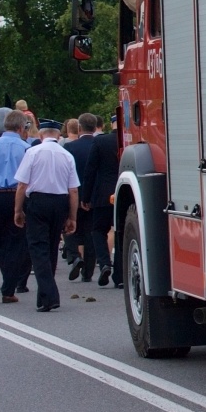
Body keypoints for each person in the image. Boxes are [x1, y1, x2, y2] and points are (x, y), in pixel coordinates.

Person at [13, 120, 80, 312]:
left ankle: (49, 294)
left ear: (41, 135)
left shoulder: (32, 153)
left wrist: (18, 210)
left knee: (38, 248)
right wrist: (72, 217)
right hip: (60, 202)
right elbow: (73, 190)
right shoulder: (67, 155)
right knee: (51, 247)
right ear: (59, 135)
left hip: (38, 202)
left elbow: (22, 185)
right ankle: (43, 297)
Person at [0, 110, 30, 302]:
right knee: (14, 243)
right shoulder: (26, 148)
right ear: (21, 127)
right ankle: (8, 290)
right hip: (16, 196)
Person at [83, 117, 120, 287]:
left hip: (103, 194)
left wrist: (86, 197)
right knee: (121, 233)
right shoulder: (129, 141)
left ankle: (105, 262)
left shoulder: (100, 141)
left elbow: (90, 170)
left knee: (98, 230)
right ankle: (120, 275)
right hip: (124, 193)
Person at [64, 113, 101, 282]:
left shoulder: (71, 147)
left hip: (74, 193)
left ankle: (74, 256)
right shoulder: (99, 145)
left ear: (79, 128)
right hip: (94, 196)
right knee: (90, 233)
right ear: (95, 127)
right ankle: (88, 272)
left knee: (69, 228)